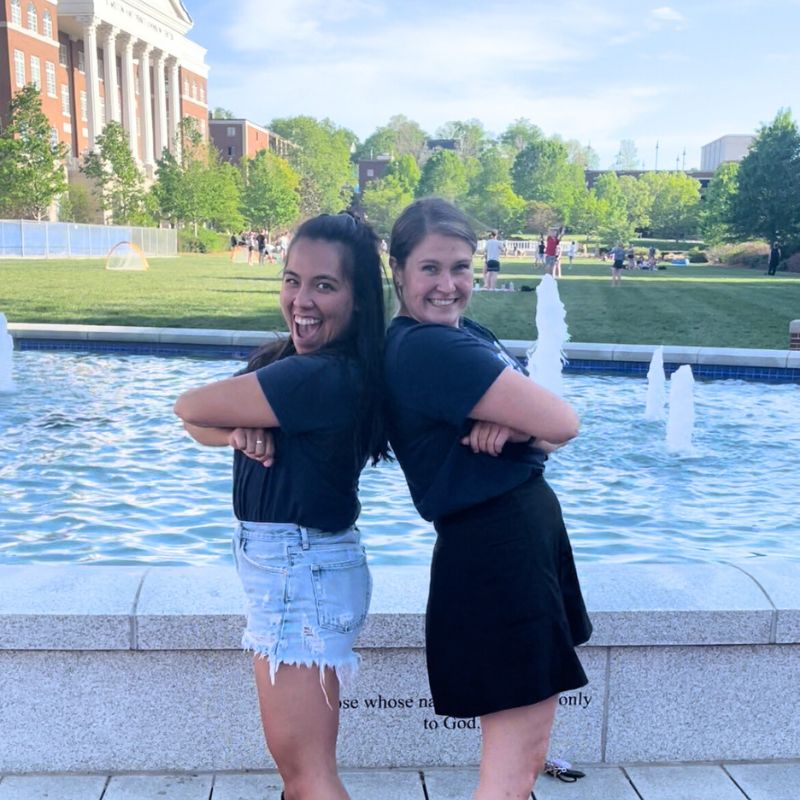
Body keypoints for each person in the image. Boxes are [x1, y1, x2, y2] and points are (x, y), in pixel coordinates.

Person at [174, 213, 389, 800]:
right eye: (293, 279)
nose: (302, 299)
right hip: (296, 568)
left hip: (300, 570)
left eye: (325, 285)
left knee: (309, 774)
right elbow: (202, 425)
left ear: (359, 299)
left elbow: (187, 404)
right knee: (301, 772)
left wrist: (228, 422)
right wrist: (238, 433)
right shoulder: (285, 363)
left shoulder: (316, 376)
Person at [385, 198, 592, 799]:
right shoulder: (431, 348)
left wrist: (524, 428)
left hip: (515, 539)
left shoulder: (461, 333)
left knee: (524, 754)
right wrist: (534, 426)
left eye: (460, 267)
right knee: (515, 761)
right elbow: (565, 423)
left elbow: (550, 436)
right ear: (397, 270)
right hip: (497, 550)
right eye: (430, 268)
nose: (448, 285)